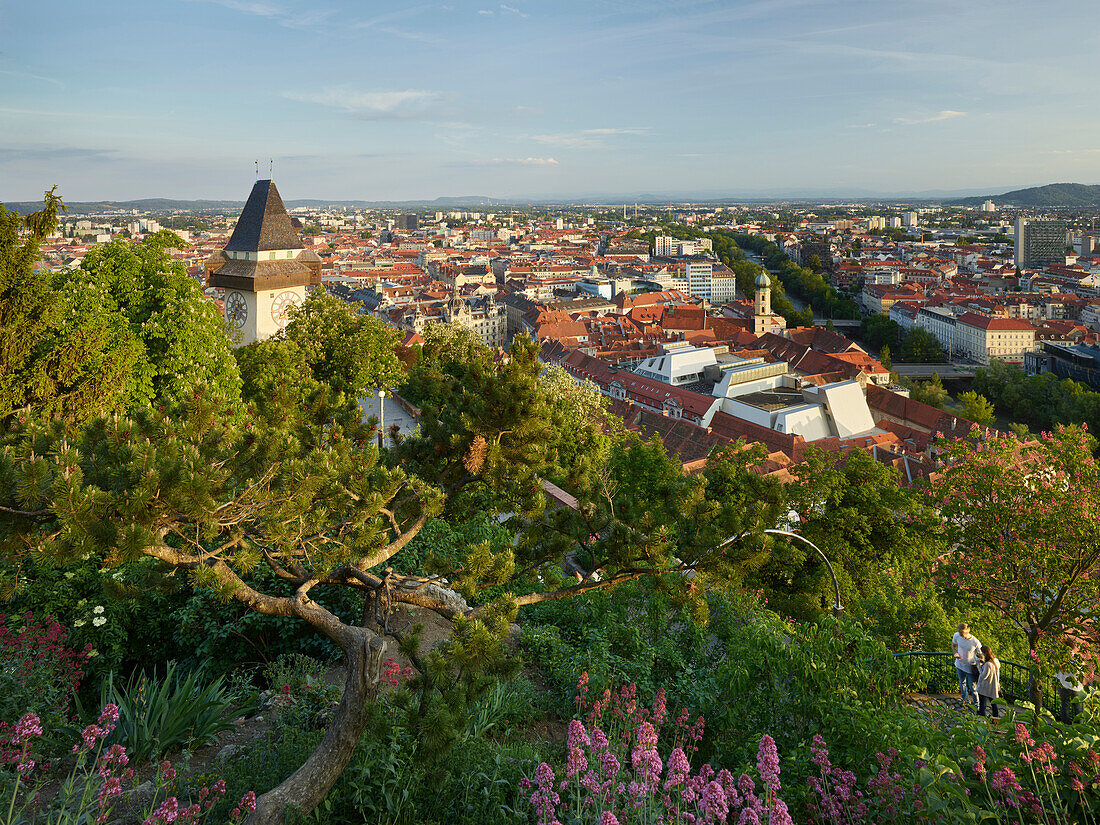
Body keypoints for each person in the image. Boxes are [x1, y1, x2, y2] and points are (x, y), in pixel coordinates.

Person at [951, 623, 982, 709]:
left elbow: (981, 654)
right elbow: (953, 646)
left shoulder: (975, 642)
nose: (960, 634)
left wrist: (982, 663)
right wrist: (955, 653)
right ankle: (965, 701)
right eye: (959, 633)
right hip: (959, 665)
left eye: (962, 633)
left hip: (970, 667)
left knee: (973, 687)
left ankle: (977, 705)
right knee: (962, 683)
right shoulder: (957, 636)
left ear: (967, 631)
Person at [977, 645, 1001, 718]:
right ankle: (996, 719)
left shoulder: (988, 664)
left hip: (985, 687)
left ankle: (982, 718)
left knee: (983, 705)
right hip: (994, 686)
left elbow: (984, 676)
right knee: (994, 704)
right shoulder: (995, 661)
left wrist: (979, 666)